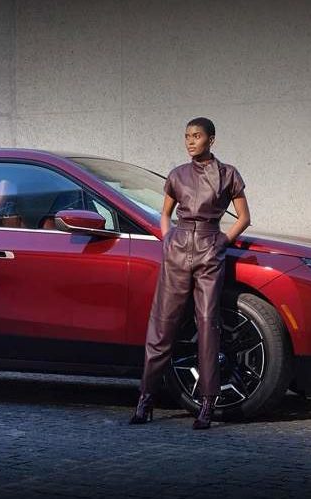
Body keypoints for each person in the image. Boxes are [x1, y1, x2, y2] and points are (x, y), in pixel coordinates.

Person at [129, 117, 251, 429]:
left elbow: (244, 218)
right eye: (187, 136)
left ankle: (208, 403)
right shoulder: (177, 175)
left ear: (212, 139)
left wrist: (222, 242)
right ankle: (146, 399)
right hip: (177, 249)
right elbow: (165, 214)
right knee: (162, 324)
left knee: (208, 325)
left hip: (210, 249)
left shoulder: (228, 174)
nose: (190, 141)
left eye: (196, 136)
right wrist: (168, 238)